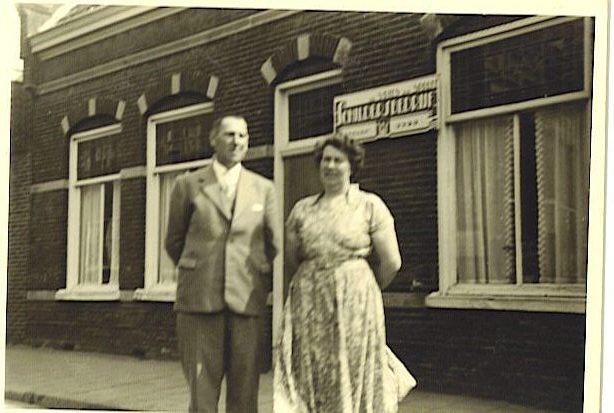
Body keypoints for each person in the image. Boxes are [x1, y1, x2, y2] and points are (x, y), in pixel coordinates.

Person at [274, 134, 411, 413]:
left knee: (351, 365)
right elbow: (292, 258)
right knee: (311, 366)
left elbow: (392, 262)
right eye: (326, 160)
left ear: (351, 166)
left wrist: (364, 286)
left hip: (355, 303)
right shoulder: (302, 209)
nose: (331, 166)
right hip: (309, 304)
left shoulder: (369, 205)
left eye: (338, 160)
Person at [165, 115, 280, 413]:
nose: (237, 142)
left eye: (242, 136)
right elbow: (173, 242)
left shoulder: (264, 188)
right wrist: (203, 268)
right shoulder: (188, 185)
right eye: (229, 135)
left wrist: (249, 270)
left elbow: (273, 243)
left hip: (246, 300)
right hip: (199, 301)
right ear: (213, 139)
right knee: (202, 392)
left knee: (245, 392)